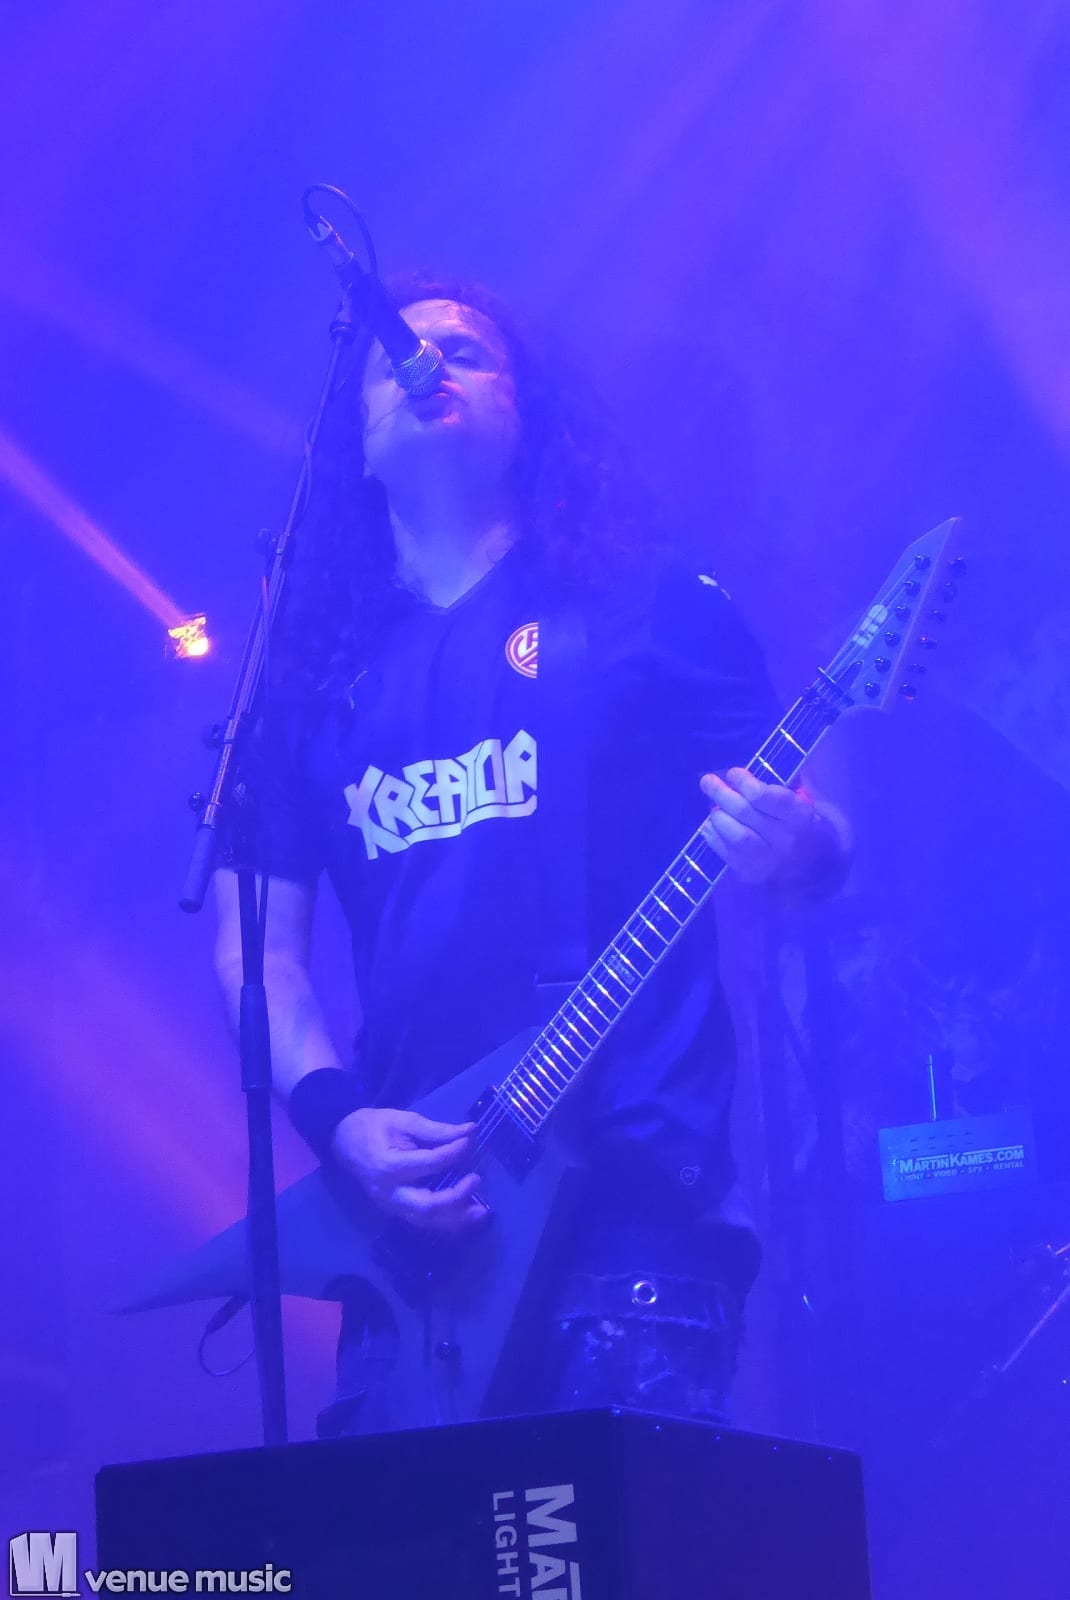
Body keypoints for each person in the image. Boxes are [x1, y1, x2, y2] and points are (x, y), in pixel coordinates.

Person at [213, 274, 848, 1436]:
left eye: (464, 350)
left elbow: (811, 847)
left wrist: (798, 840)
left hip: (633, 1214)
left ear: (525, 411)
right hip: (416, 1231)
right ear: (354, 445)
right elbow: (260, 955)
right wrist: (340, 1123)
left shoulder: (650, 604)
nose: (424, 364)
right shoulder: (305, 686)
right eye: (393, 360)